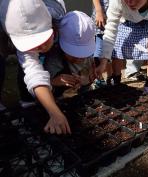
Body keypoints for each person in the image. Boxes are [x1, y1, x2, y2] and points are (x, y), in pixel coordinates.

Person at [0, 0, 71, 134]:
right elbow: (33, 71)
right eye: (32, 44)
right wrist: (54, 112)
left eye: (43, 40)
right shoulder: (15, 22)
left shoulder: (58, 12)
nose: (40, 47)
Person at [96, 0, 148, 95]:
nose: (131, 3)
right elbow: (111, 30)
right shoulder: (117, 1)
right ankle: (116, 81)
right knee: (118, 49)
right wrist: (103, 62)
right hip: (125, 22)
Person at [43, 11, 96, 97]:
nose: (79, 58)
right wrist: (53, 82)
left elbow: (90, 77)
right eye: (74, 54)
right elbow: (41, 89)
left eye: (83, 54)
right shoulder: (54, 60)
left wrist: (84, 80)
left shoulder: (88, 58)